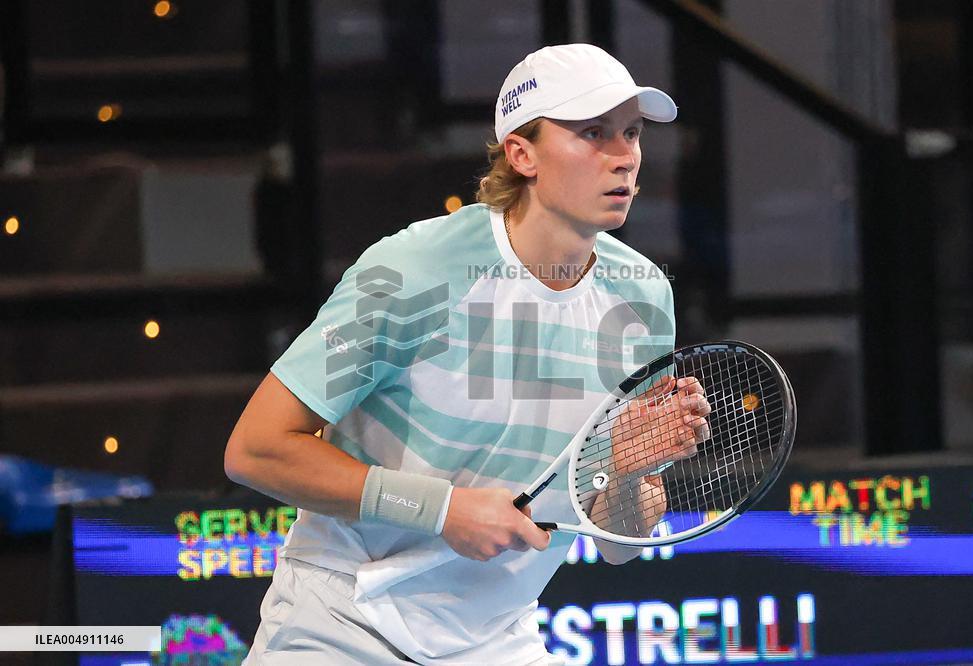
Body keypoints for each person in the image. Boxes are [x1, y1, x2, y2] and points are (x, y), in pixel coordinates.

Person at [226, 43, 711, 665]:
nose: (624, 158)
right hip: (342, 623)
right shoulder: (416, 270)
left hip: (496, 637)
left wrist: (624, 470)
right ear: (522, 153)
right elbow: (256, 450)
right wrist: (443, 509)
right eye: (593, 133)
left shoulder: (642, 296)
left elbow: (620, 542)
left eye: (632, 133)